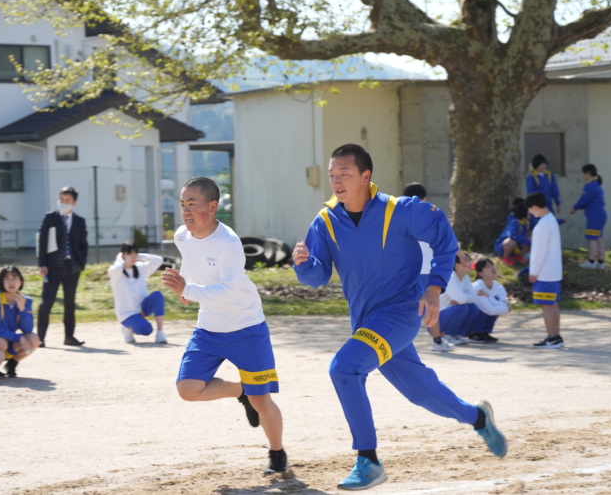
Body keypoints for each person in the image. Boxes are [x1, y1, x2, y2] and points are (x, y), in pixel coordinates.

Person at [292, 144, 506, 490]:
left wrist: (435, 288)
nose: (336, 181)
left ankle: (368, 460)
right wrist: (303, 264)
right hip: (366, 322)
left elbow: (444, 240)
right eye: (332, 175)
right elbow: (317, 277)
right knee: (421, 392)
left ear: (366, 176)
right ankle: (478, 417)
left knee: (344, 368)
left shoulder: (400, 210)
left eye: (344, 174)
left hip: (402, 312)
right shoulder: (325, 221)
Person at [160, 177, 288, 474]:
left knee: (262, 400)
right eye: (182, 205)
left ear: (213, 206)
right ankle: (239, 390)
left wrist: (188, 290)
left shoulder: (229, 243)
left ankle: (277, 452)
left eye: (193, 204)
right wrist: (185, 289)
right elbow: (191, 266)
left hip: (247, 328)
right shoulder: (182, 236)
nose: (186, 211)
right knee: (188, 389)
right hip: (209, 329)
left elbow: (229, 290)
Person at [402, 182, 452, 352]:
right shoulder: (428, 214)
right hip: (425, 268)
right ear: (423, 198)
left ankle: (399, 342)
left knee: (404, 307)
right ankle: (437, 340)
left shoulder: (396, 214)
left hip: (404, 270)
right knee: (430, 305)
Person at [37, 186, 89, 347]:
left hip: (72, 267)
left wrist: (81, 263)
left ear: (74, 203)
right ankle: (40, 337)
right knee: (47, 302)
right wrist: (42, 264)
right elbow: (42, 242)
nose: (63, 203)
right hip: (53, 267)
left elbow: (83, 244)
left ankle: (69, 336)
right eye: (61, 199)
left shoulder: (79, 221)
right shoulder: (50, 218)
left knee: (70, 303)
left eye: (67, 200)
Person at [0, 266, 40, 377]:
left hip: (9, 340)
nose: (11, 282)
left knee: (33, 339)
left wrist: (22, 309)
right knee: (0, 341)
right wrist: (19, 338)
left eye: (14, 278)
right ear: (1, 283)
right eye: (6, 279)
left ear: (20, 282)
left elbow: (27, 329)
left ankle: (12, 363)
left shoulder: (26, 301)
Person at [108, 241, 167, 344]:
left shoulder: (140, 268)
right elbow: (117, 267)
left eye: (135, 254)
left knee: (157, 295)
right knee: (147, 329)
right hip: (127, 314)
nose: (133, 257)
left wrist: (139, 256)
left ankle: (160, 332)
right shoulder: (115, 272)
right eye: (130, 254)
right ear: (123, 255)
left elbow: (159, 260)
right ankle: (127, 328)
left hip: (142, 309)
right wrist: (119, 258)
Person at [526, 191, 564, 348]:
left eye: (530, 210)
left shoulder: (541, 225)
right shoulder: (552, 220)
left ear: (534, 207)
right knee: (553, 304)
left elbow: (538, 252)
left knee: (546, 305)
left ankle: (551, 337)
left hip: (544, 272)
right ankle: (556, 336)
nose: (530, 213)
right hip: (554, 271)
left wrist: (533, 271)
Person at [435, 251, 496, 344]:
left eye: (469, 261)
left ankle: (457, 335)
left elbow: (473, 297)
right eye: (466, 261)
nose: (470, 264)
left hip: (451, 312)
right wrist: (463, 299)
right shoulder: (450, 277)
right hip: (438, 319)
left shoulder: (465, 277)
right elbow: (461, 299)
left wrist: (463, 299)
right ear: (457, 265)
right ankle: (446, 335)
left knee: (473, 308)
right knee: (463, 308)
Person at [569, 164, 607, 269]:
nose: (583, 176)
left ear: (588, 173)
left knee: (592, 239)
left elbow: (584, 200)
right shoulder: (597, 185)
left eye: (583, 173)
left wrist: (575, 208)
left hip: (594, 216)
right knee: (599, 239)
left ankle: (591, 262)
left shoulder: (590, 186)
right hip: (601, 215)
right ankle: (600, 262)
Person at [471, 258, 512, 337]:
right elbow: (490, 310)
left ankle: (484, 332)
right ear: (480, 273)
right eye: (488, 267)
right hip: (475, 317)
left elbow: (503, 303)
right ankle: (475, 332)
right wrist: (507, 308)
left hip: (490, 307)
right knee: (482, 308)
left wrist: (489, 297)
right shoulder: (477, 287)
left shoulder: (498, 287)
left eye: (492, 265)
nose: (492, 268)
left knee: (495, 303)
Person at [494, 198, 531, 266]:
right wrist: (525, 240)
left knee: (532, 239)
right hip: (503, 247)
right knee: (512, 241)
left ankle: (517, 256)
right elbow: (512, 235)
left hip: (517, 247)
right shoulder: (515, 222)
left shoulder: (526, 223)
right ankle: (505, 258)